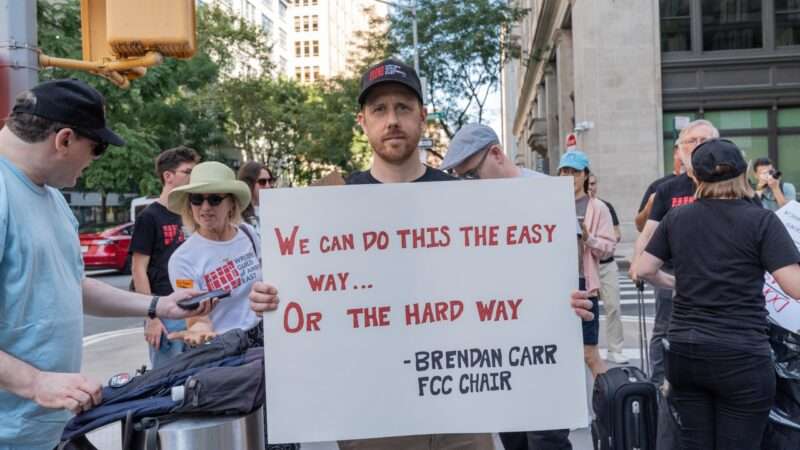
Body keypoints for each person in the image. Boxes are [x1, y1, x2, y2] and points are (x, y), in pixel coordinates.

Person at [248, 60, 595, 450]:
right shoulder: (328, 207)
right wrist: (269, 300)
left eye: (403, 107)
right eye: (379, 109)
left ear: (423, 118)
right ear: (361, 121)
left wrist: (560, 302)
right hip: (371, 415)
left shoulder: (468, 200)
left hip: (461, 411)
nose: (391, 119)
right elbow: (304, 297)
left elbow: (509, 284)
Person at [0, 79, 211, 450]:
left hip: (48, 427)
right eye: (95, 147)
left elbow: (72, 285)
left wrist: (158, 304)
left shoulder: (54, 200)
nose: (95, 160)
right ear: (64, 139)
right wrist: (35, 383)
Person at [636, 138, 800, 449]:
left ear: (695, 178)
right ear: (742, 175)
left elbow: (644, 267)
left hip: (685, 352)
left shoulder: (677, 218)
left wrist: (675, 283)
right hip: (741, 355)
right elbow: (795, 287)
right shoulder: (760, 220)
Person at [440, 123, 577, 450]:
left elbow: (569, 265)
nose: (467, 184)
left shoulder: (547, 194)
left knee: (547, 440)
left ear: (497, 154)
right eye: (462, 178)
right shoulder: (471, 207)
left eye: (471, 174)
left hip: (543, 343)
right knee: (513, 440)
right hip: (497, 350)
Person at [631, 119, 719, 385]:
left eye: (705, 141)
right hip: (672, 272)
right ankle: (659, 386)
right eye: (691, 141)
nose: (698, 146)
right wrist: (638, 262)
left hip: (718, 274)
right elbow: (646, 232)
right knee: (664, 330)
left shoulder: (730, 187)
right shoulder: (667, 189)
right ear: (679, 150)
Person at [166, 161, 262, 346]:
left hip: (261, 337)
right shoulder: (182, 259)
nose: (205, 207)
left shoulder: (248, 234)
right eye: (197, 199)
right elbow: (194, 315)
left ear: (231, 203)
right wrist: (199, 328)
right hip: (222, 347)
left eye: (215, 199)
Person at [131, 146, 200, 369]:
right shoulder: (149, 217)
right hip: (164, 311)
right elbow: (138, 269)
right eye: (188, 171)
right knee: (168, 381)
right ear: (168, 176)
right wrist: (151, 317)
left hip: (196, 308)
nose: (193, 177)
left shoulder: (194, 212)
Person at [557, 151, 614, 379]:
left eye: (575, 172)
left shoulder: (597, 207)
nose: (569, 176)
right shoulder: (549, 203)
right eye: (565, 171)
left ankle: (608, 408)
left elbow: (609, 247)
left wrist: (588, 238)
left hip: (583, 284)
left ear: (585, 175)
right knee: (557, 353)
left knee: (589, 353)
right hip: (554, 284)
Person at [587, 174, 627, 364]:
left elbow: (617, 232)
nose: (591, 187)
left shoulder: (605, 207)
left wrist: (605, 239)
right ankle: (589, 349)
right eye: (589, 183)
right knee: (587, 311)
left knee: (613, 307)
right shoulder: (575, 206)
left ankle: (615, 349)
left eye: (594, 183)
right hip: (587, 265)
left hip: (606, 264)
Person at [634, 143, 682, 233]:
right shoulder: (658, 186)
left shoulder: (704, 184)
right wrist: (650, 205)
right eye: (681, 159)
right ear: (675, 155)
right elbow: (640, 226)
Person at [238, 161, 275, 232]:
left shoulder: (277, 211)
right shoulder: (237, 216)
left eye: (270, 181)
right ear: (249, 184)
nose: (268, 186)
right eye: (262, 182)